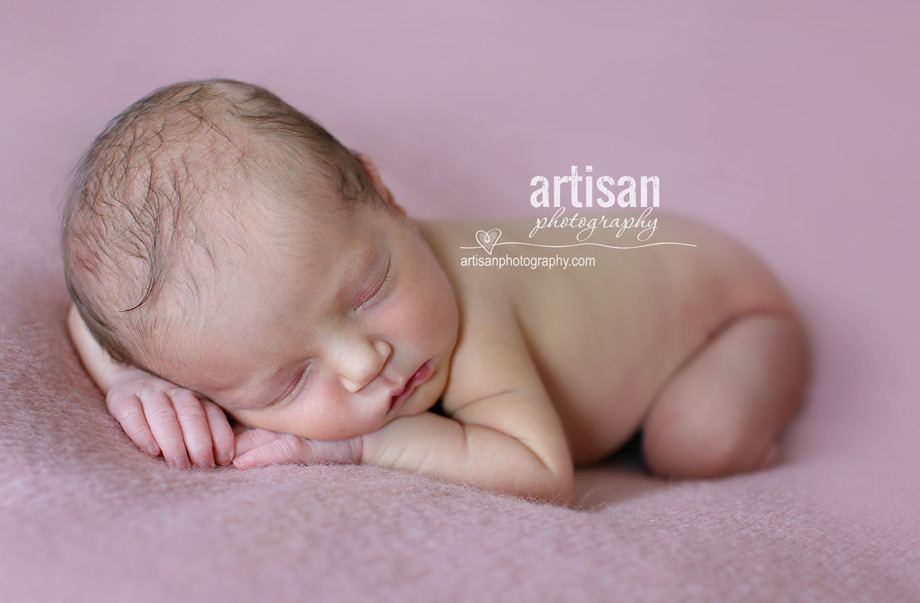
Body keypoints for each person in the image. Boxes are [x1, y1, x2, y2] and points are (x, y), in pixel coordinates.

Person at [61, 79, 810, 504]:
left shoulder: (471, 312)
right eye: (292, 379)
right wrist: (132, 378)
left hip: (723, 300)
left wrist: (364, 443)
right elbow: (100, 318)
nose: (364, 362)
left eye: (368, 290)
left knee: (695, 439)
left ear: (385, 194)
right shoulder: (232, 320)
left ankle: (762, 413)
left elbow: (540, 472)